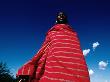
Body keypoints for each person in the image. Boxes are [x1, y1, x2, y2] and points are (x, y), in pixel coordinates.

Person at [16, 12, 90, 82]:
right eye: (59, 15)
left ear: (66, 20)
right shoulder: (52, 32)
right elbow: (42, 51)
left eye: (63, 15)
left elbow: (78, 53)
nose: (61, 16)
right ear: (56, 20)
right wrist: (27, 70)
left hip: (78, 70)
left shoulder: (74, 34)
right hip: (54, 69)